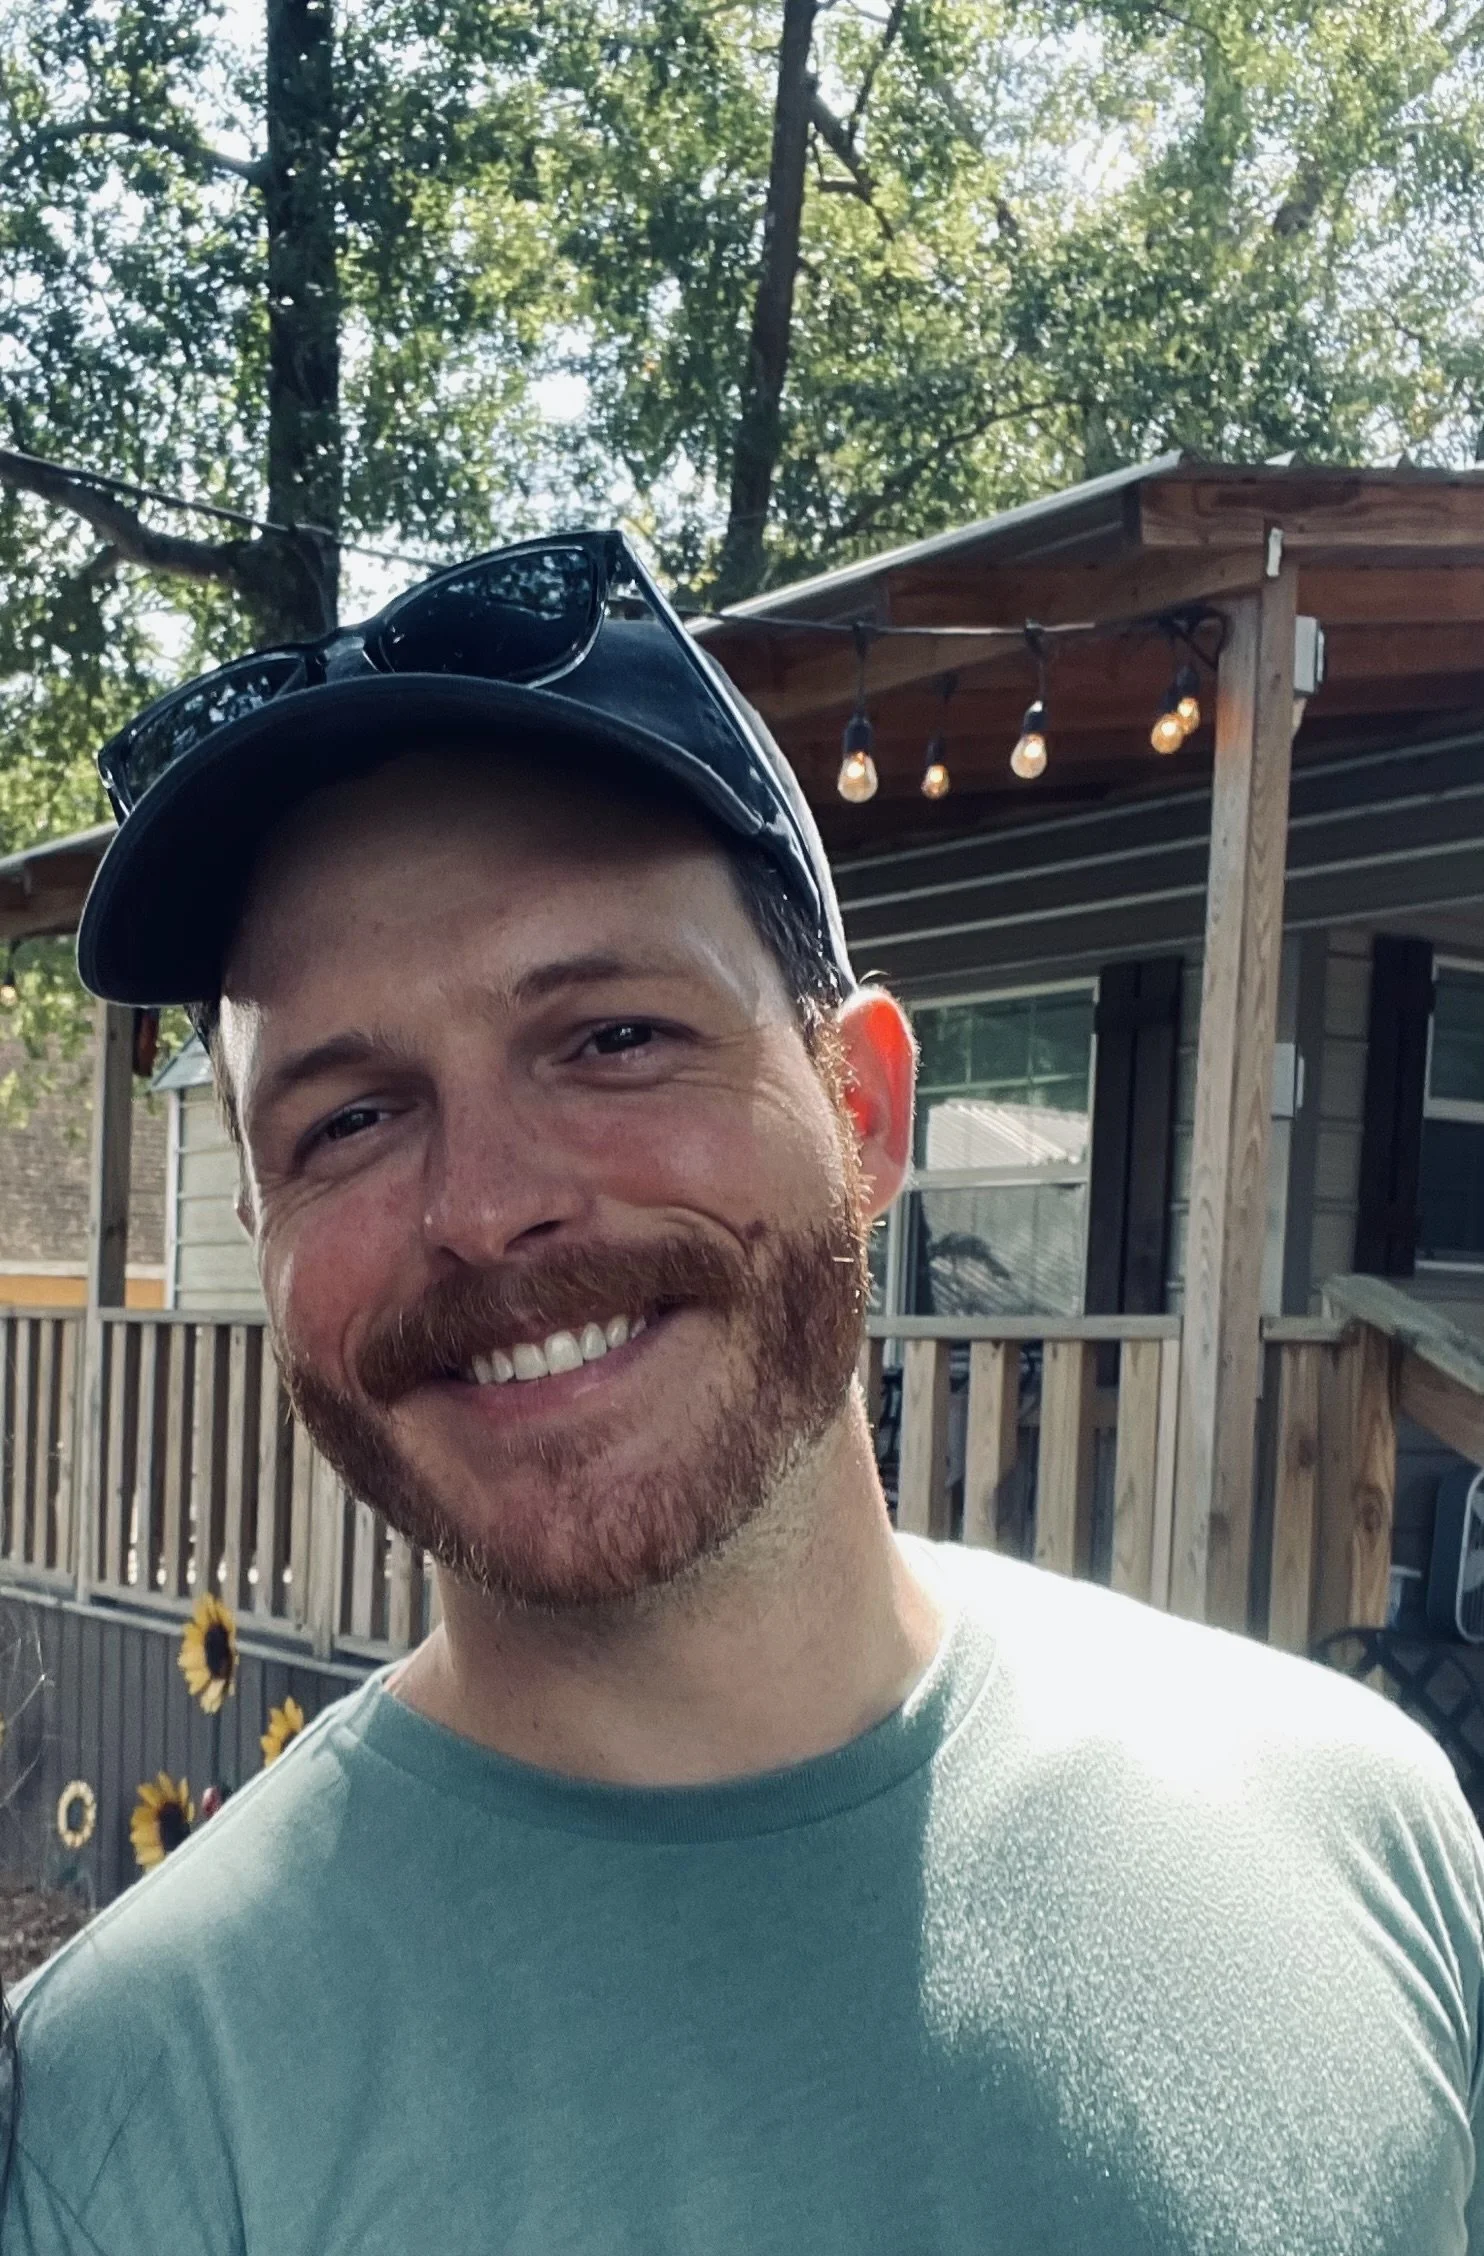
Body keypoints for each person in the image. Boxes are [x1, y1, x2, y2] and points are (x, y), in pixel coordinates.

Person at [4, 530, 1483, 2255]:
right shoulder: (138, 2113)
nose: (486, 1206)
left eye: (614, 1036)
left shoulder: (1359, 1828)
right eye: (348, 1120)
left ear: (861, 1116)